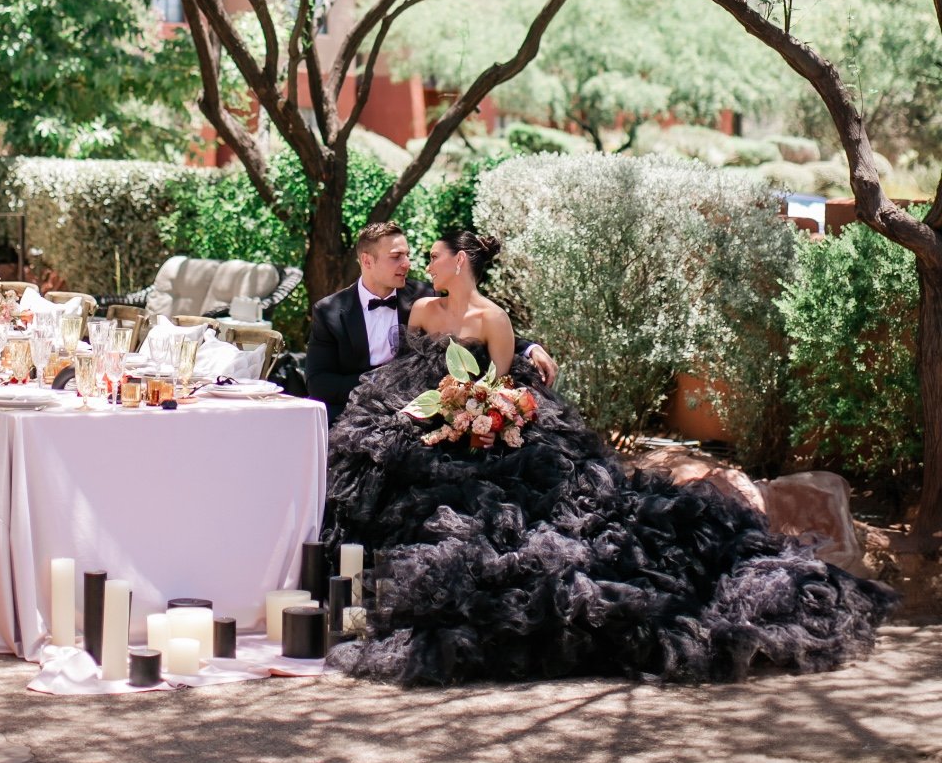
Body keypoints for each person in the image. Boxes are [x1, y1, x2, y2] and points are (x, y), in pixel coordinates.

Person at [324, 226, 896, 687]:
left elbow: (496, 366)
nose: (418, 263)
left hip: (481, 417)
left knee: (518, 511)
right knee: (381, 478)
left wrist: (496, 382)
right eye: (404, 256)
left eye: (428, 255)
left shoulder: (487, 317)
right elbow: (399, 360)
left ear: (460, 263)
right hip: (421, 413)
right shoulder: (414, 306)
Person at [305, 223, 556, 423]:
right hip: (355, 412)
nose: (407, 264)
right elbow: (319, 384)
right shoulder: (329, 312)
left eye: (407, 255)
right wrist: (381, 384)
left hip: (419, 411)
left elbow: (470, 326)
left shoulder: (424, 298)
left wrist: (528, 347)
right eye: (396, 257)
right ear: (367, 261)